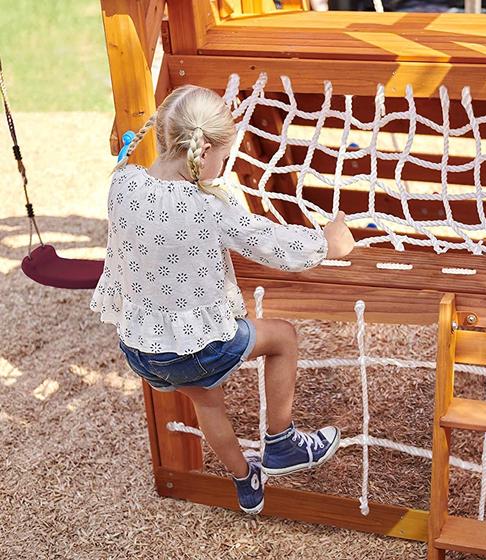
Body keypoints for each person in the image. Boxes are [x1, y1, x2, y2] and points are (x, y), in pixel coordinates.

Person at [89, 84, 355, 514]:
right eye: (224, 156)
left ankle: (244, 480)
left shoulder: (122, 184)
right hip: (193, 348)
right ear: (205, 149)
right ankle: (282, 443)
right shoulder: (207, 206)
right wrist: (327, 244)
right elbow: (268, 243)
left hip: (142, 348)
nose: (223, 166)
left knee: (206, 400)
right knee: (283, 337)